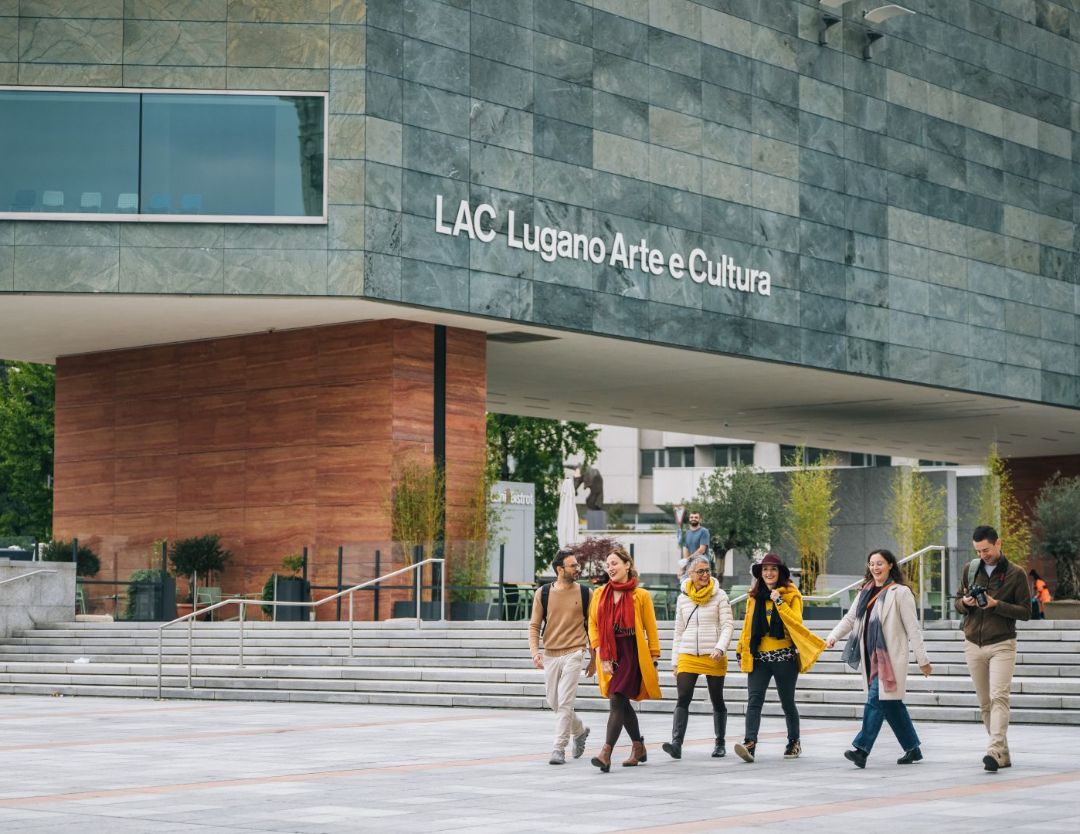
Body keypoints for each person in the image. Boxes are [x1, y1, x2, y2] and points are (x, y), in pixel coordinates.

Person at [826, 549, 932, 768]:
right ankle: (912, 747)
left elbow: (913, 628)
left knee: (876, 699)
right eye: (872, 563)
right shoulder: (865, 591)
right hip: (869, 656)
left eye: (880, 563)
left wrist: (923, 660)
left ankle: (861, 750)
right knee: (891, 705)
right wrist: (833, 636)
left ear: (890, 565)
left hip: (889, 659)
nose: (875, 567)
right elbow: (851, 619)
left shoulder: (900, 592)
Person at [733, 552, 825, 763]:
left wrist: (780, 602)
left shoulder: (792, 595)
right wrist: (740, 649)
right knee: (754, 700)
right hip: (759, 657)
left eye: (773, 569)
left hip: (785, 658)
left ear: (780, 572)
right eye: (765, 569)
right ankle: (750, 743)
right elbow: (747, 626)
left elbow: (796, 623)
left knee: (787, 702)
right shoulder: (754, 596)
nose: (769, 573)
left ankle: (794, 742)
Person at [955, 525, 1031, 772]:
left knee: (999, 697)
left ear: (998, 543)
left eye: (986, 550)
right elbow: (957, 602)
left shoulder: (1016, 574)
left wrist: (996, 604)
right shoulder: (970, 569)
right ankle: (1002, 754)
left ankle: (994, 749)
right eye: (978, 551)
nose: (982, 555)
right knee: (985, 703)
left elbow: (1026, 612)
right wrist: (965, 603)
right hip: (972, 644)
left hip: (1002, 643)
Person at [587, 546, 662, 772]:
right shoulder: (600, 593)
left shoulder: (641, 595)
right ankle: (638, 747)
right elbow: (592, 624)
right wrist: (599, 650)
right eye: (608, 565)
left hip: (632, 651)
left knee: (617, 697)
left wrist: (654, 658)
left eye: (615, 563)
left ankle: (605, 753)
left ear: (627, 565)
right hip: (609, 652)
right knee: (620, 701)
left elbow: (651, 628)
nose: (610, 568)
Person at [528, 548, 596, 765]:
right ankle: (580, 730)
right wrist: (535, 652)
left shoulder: (586, 593)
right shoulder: (543, 593)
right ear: (560, 569)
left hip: (575, 651)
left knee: (565, 701)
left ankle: (558, 748)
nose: (577, 568)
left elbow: (593, 627)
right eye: (573, 565)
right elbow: (534, 625)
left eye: (577, 564)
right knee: (554, 701)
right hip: (550, 654)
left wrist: (594, 658)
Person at [663, 554, 733, 760]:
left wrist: (720, 648)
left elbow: (728, 625)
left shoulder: (719, 595)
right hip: (687, 653)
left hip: (713, 654)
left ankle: (720, 743)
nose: (705, 575)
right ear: (690, 574)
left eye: (707, 570)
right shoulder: (683, 598)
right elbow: (678, 631)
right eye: (700, 571)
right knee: (683, 697)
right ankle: (676, 744)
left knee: (716, 698)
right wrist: (675, 661)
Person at [678, 512, 710, 581]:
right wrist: (684, 565)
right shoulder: (687, 533)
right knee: (683, 579)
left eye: (696, 517)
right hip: (691, 562)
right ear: (689, 519)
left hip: (702, 561)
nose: (693, 519)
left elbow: (702, 550)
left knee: (695, 580)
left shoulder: (704, 531)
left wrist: (688, 559)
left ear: (700, 519)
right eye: (691, 517)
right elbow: (686, 550)